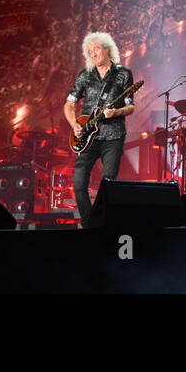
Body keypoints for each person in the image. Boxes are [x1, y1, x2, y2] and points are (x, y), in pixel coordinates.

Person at [64, 31, 136, 227]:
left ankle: (102, 223)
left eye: (96, 49)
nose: (93, 54)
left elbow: (131, 106)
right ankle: (90, 225)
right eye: (89, 51)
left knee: (108, 183)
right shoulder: (85, 75)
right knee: (79, 183)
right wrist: (75, 125)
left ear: (107, 49)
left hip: (113, 135)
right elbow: (69, 105)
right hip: (87, 136)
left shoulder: (123, 74)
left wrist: (116, 112)